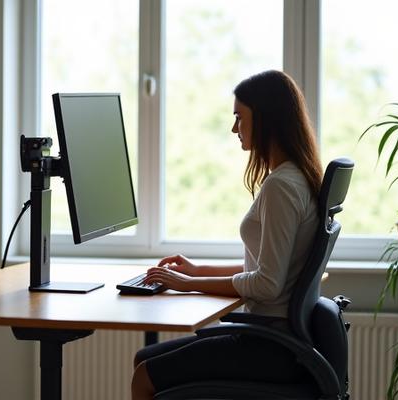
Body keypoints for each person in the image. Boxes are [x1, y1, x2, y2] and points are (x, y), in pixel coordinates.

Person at [131, 69, 324, 400]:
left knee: (144, 377)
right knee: (145, 359)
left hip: (270, 348)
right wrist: (196, 271)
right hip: (279, 340)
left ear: (264, 119)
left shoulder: (281, 186)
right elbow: (268, 268)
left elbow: (267, 284)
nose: (234, 128)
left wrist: (187, 284)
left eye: (239, 117)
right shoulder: (297, 177)